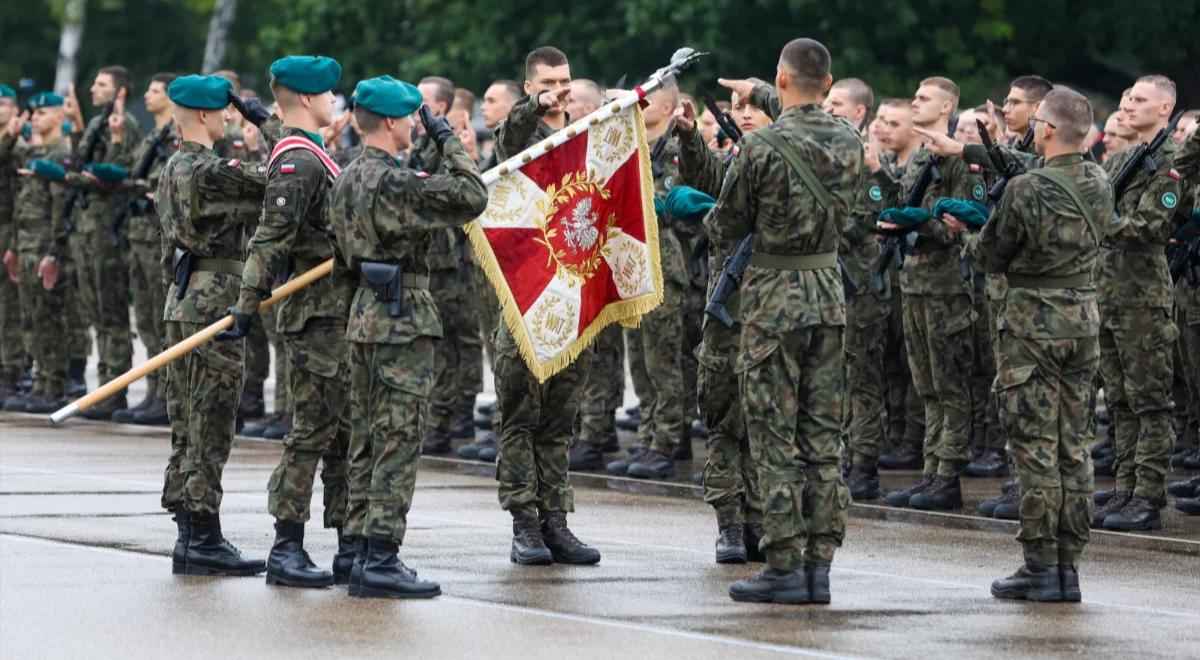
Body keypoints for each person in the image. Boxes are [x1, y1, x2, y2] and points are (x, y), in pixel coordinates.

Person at [709, 38, 861, 605]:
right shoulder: (850, 139)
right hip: (827, 292)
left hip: (773, 296)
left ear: (781, 76)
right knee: (823, 441)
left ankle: (782, 564)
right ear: (831, 81)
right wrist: (766, 91)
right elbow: (803, 105)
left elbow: (727, 224)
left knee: (774, 438)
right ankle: (819, 567)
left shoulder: (761, 147)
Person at [946, 86, 1109, 601]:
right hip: (1082, 321)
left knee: (1035, 447)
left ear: (1051, 129)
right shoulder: (1100, 181)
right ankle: (1069, 566)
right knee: (1072, 446)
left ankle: (1041, 564)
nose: (1033, 126)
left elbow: (991, 254)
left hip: (1032, 327)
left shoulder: (1026, 189)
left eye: (1038, 119)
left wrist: (961, 233)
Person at [331, 75, 487, 599]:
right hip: (403, 319)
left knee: (365, 438)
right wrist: (447, 140)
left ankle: (354, 549)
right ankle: (381, 557)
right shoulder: (396, 182)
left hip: (364, 314)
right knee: (397, 438)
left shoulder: (348, 177)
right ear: (397, 122)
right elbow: (471, 194)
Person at [217, 55, 353, 588]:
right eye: (327, 93)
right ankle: (287, 546)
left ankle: (348, 545)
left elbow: (281, 132)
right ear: (305, 98)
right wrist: (246, 304)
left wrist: (257, 114)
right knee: (313, 431)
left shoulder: (309, 149)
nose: (334, 101)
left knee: (342, 432)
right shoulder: (300, 162)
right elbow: (270, 238)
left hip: (336, 311)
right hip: (315, 316)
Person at [156, 73, 274, 576]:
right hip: (215, 301)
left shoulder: (173, 166)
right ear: (205, 115)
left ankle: (190, 531)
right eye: (225, 110)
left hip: (181, 300)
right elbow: (287, 176)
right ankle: (203, 534)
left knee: (186, 421)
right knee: (212, 421)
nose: (230, 116)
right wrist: (265, 121)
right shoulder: (211, 170)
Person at [492, 45, 600, 566]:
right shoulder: (518, 136)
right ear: (530, 86)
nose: (561, 88)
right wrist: (535, 107)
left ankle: (557, 521)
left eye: (567, 78)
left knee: (560, 422)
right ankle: (525, 525)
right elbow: (510, 136)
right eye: (549, 81)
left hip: (573, 296)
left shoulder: (585, 139)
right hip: (526, 302)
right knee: (521, 418)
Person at [877, 77, 986, 512]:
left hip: (946, 289)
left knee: (950, 386)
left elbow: (961, 224)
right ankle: (930, 473)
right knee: (926, 387)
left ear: (946, 107)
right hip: (916, 283)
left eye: (923, 98)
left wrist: (918, 222)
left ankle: (947, 476)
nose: (915, 101)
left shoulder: (957, 157)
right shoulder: (921, 155)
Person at [1092, 75, 1186, 532]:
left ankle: (1149, 494)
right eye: (1127, 97)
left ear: (1165, 108)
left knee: (1150, 401)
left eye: (1140, 99)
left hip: (1143, 298)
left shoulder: (1170, 163)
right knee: (1121, 400)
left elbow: (1148, 226)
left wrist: (1096, 218)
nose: (1128, 105)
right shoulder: (1128, 157)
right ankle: (1125, 486)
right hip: (1109, 293)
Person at [61, 65, 143, 420]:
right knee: (95, 309)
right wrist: (79, 126)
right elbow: (83, 165)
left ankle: (115, 386)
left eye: (102, 84)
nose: (93, 88)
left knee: (111, 313)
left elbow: (122, 172)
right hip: (86, 226)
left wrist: (119, 140)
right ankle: (105, 384)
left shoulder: (127, 127)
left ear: (120, 92)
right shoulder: (98, 124)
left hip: (109, 227)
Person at [415, 75, 483, 457]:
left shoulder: (443, 143)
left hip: (452, 260)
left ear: (438, 107)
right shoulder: (421, 141)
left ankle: (454, 414)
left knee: (459, 340)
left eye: (421, 100)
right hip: (432, 259)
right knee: (440, 341)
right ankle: (442, 414)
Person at [110, 72, 179, 425]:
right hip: (137, 232)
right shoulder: (152, 135)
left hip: (156, 235)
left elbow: (164, 180)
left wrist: (138, 185)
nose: (148, 97)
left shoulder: (174, 135)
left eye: (155, 92)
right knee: (146, 320)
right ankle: (154, 391)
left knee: (158, 314)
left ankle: (165, 393)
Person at [4, 92, 73, 413]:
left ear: (60, 117)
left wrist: (53, 254)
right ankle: (40, 381)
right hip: (26, 245)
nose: (34, 119)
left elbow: (60, 209)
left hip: (44, 245)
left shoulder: (60, 154)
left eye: (42, 113)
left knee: (48, 317)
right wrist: (15, 247)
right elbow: (21, 207)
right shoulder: (35, 152)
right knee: (31, 317)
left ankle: (53, 384)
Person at [0, 85, 23, 400]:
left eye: (4, 104)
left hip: (9, 226)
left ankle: (11, 369)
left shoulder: (18, 146)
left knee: (9, 304)